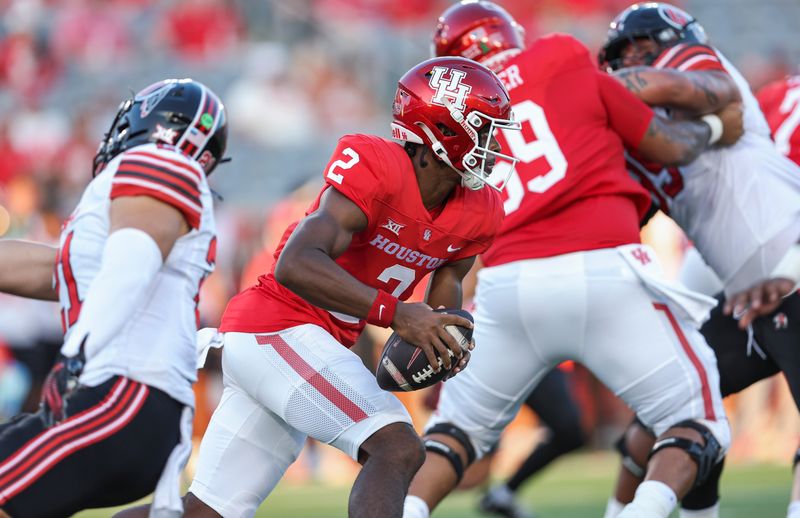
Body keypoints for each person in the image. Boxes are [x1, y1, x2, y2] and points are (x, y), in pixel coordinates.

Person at [116, 56, 518, 518]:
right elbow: (296, 264)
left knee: (205, 513)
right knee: (398, 448)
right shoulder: (378, 165)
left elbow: (448, 278)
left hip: (308, 345)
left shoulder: (481, 208)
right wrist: (398, 314)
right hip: (278, 326)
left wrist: (441, 339)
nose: (495, 142)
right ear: (441, 130)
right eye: (485, 128)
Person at [402, 3, 744, 518]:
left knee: (454, 437)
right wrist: (718, 129)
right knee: (697, 421)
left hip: (506, 286)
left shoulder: (450, 118)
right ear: (507, 33)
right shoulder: (559, 54)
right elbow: (669, 147)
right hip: (603, 267)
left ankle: (403, 510)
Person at [597, 4, 800, 517]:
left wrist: (585, 92)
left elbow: (680, 86)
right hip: (747, 294)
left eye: (638, 54)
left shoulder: (697, 66)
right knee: (681, 413)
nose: (629, 68)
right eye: (620, 60)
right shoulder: (639, 142)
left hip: (793, 260)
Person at [0, 78, 227, 518]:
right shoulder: (140, 192)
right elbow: (53, 269)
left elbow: (135, 256)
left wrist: (80, 352)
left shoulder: (156, 161)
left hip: (122, 393)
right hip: (131, 404)